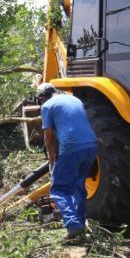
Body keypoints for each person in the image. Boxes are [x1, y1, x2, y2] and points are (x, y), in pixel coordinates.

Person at [36, 83, 98, 239]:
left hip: (72, 147)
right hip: (91, 146)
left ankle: (73, 225)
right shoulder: (75, 99)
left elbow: (49, 139)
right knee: (78, 186)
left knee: (59, 190)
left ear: (42, 97)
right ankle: (80, 224)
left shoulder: (47, 106)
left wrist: (52, 163)